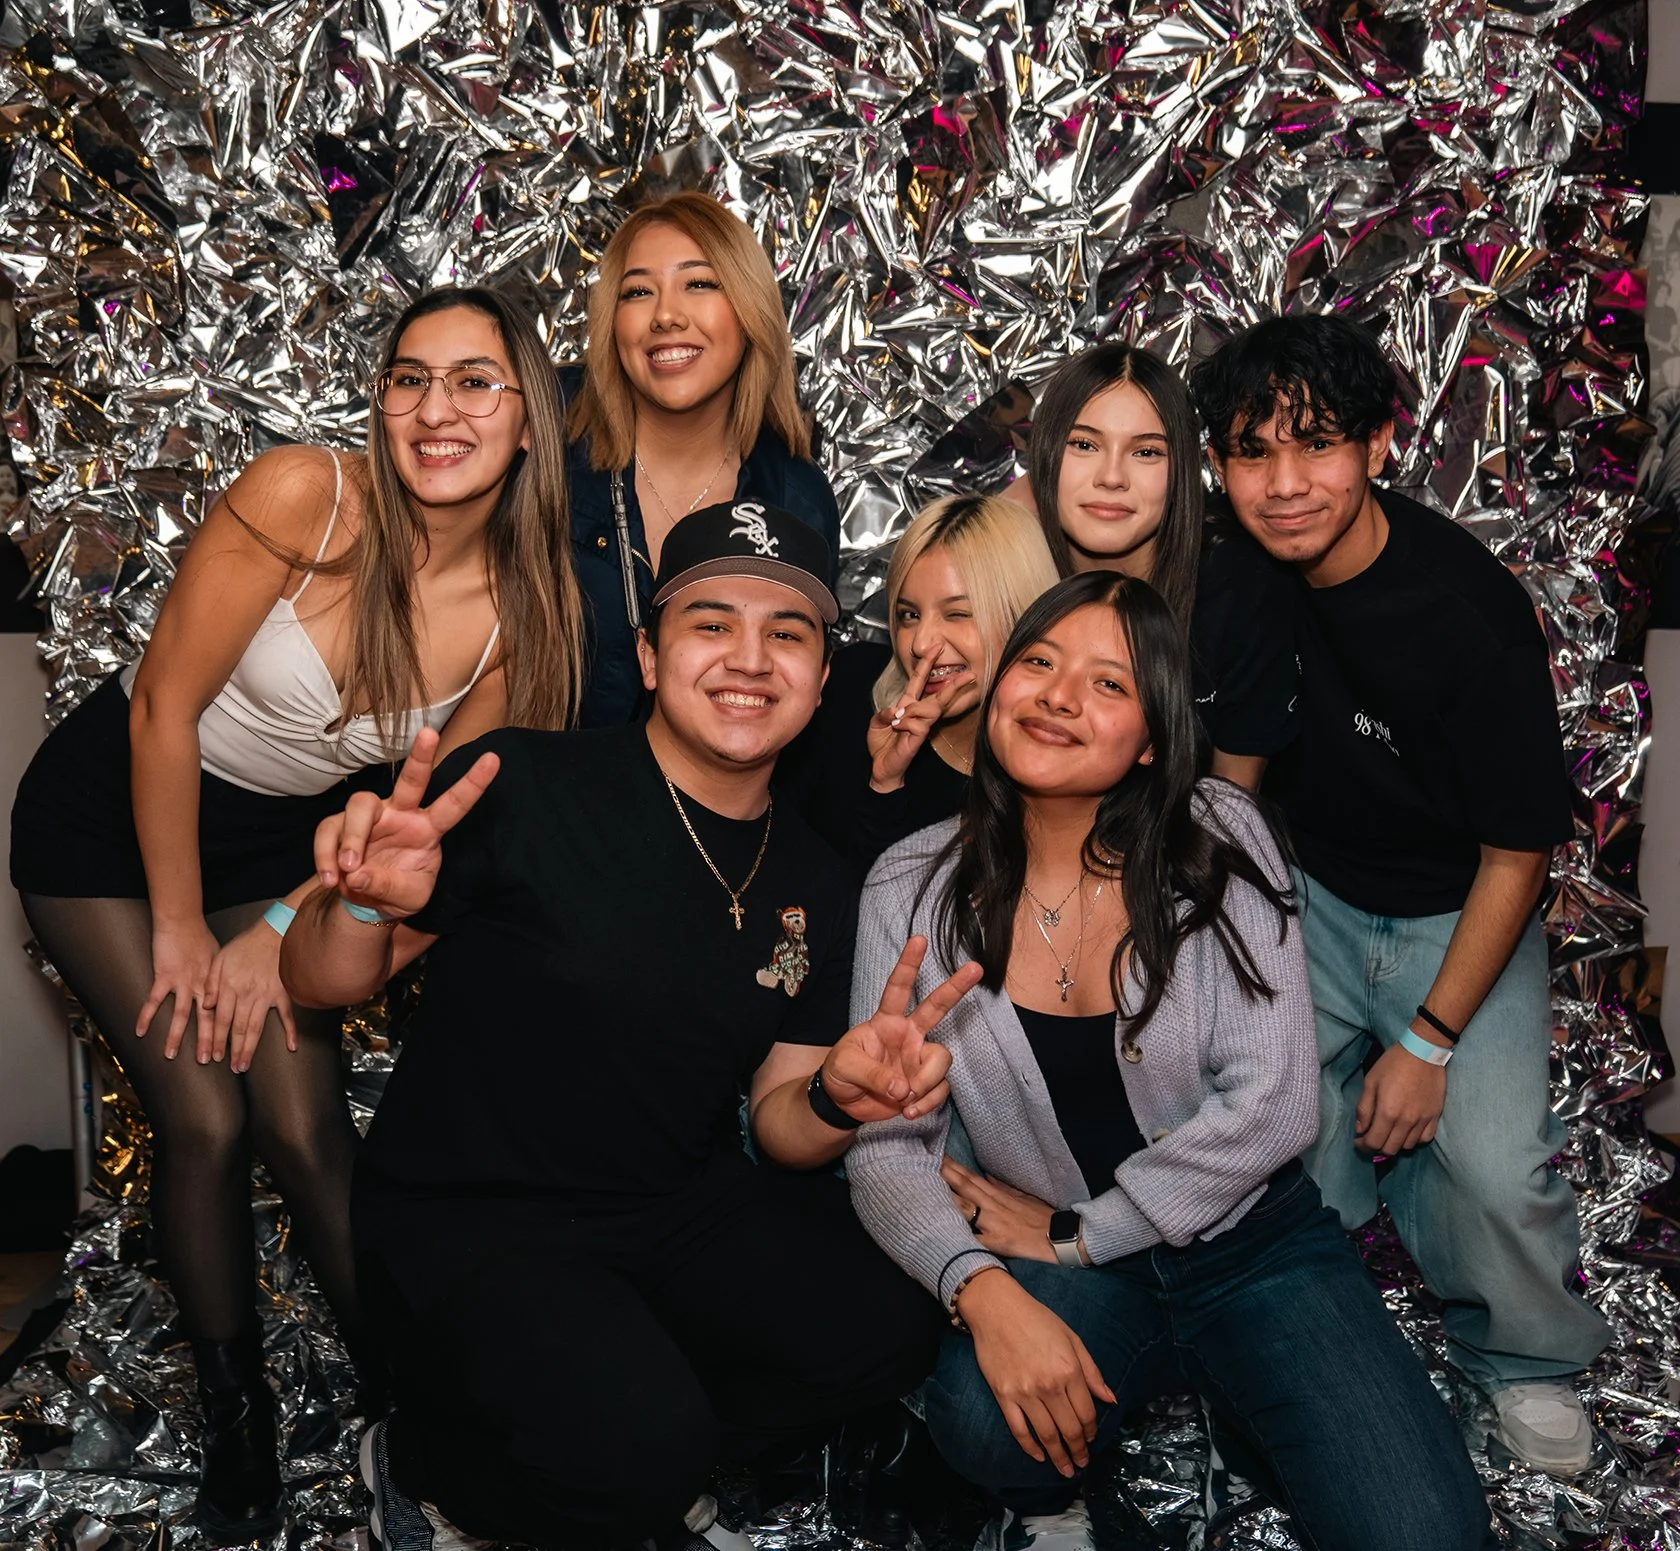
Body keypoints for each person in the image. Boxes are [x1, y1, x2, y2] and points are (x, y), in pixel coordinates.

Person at [279, 502, 979, 1551]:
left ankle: (623, 1442)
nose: (750, 659)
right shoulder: (522, 785)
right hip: (476, 1217)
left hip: (670, 1206)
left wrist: (844, 1096)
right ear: (650, 657)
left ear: (823, 680)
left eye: (787, 635)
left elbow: (782, 1121)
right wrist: (365, 903)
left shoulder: (817, 879)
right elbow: (317, 980)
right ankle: (431, 1464)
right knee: (635, 1456)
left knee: (892, 1321)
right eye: (711, 624)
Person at [9, 287, 586, 1537]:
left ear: (530, 417)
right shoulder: (304, 497)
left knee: (311, 1131)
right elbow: (162, 706)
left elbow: (400, 828)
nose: (437, 410)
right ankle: (235, 1412)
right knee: (206, 1116)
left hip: (280, 859)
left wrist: (271, 933)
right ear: (380, 401)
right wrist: (180, 928)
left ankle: (413, 1396)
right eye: (410, 378)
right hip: (113, 819)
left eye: (475, 381)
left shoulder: (526, 620)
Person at [845, 571, 1495, 1551]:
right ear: (997, 694)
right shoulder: (909, 886)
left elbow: (1271, 1110)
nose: (1060, 696)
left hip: (1252, 1248)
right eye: (1038, 663)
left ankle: (1253, 1401)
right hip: (1077, 1280)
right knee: (980, 1420)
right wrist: (977, 1289)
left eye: (1109, 684)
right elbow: (886, 1148)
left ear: (1150, 740)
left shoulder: (1217, 838)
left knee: (1426, 1537)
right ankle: (1076, 1490)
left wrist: (1076, 1232)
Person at [1189, 313, 1611, 1474]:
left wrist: (1426, 1041)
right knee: (1263, 1128)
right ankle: (1322, 1298)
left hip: (1456, 906)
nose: (1283, 486)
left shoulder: (1464, 613)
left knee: (1487, 1165)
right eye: (1251, 452)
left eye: (1315, 445)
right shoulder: (1239, 575)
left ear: (1380, 444)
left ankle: (1524, 1360)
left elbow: (1520, 856)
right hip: (1308, 895)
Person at [565, 191, 842, 726]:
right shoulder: (546, 438)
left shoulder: (796, 498)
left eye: (699, 283)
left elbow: (788, 689)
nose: (666, 315)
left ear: (747, 310)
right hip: (536, 789)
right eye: (639, 291)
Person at [1016, 343, 1298, 788]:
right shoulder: (1005, 572)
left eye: (1146, 452)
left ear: (1182, 467)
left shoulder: (1237, 587)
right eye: (1084, 444)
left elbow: (1233, 805)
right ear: (1048, 454)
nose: (1111, 477)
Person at [779, 492, 1059, 873]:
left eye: (958, 613)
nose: (922, 642)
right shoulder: (846, 691)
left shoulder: (1053, 764)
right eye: (909, 614)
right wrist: (884, 785)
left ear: (1023, 616)